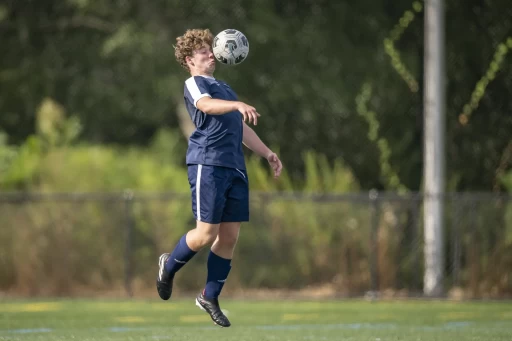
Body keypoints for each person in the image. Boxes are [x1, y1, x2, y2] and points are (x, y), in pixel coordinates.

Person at [156, 28, 283, 328]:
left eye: (212, 51)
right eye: (204, 52)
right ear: (190, 59)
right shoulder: (194, 84)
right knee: (205, 235)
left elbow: (240, 128)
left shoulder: (225, 88)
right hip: (208, 164)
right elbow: (206, 106)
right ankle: (168, 264)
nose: (211, 55)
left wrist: (267, 153)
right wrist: (238, 105)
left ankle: (209, 295)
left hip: (234, 167)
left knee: (229, 238)